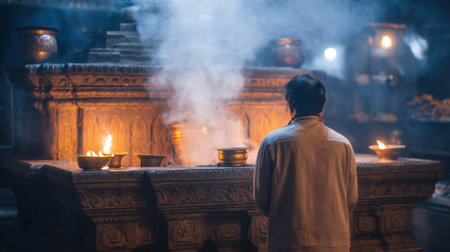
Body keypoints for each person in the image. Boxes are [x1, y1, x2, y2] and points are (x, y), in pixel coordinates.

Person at [253, 73, 358, 252]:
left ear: (291, 101)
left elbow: (262, 199)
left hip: (289, 241)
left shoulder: (273, 142)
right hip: (333, 243)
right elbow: (351, 200)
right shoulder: (343, 144)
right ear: (323, 104)